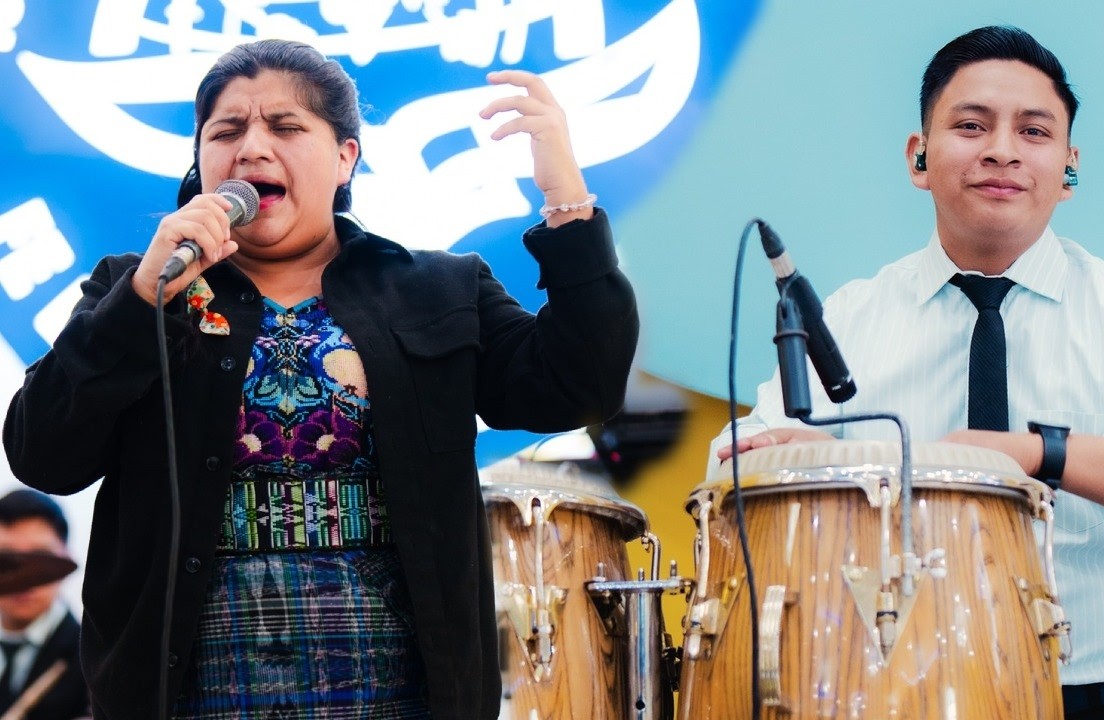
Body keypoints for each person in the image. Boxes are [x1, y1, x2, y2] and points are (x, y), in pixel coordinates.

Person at [3, 39, 637, 719]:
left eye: (285, 126)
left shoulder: (439, 288)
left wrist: (566, 200)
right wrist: (140, 300)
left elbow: (578, 385)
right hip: (190, 688)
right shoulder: (134, 287)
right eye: (225, 131)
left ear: (345, 157)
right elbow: (45, 453)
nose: (250, 148)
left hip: (397, 686)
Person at [712, 25, 1104, 720]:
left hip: (1088, 697)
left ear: (1068, 168)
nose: (1002, 149)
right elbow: (732, 462)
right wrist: (855, 467)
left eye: (1034, 132)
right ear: (919, 157)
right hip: (884, 691)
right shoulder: (846, 315)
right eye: (971, 125)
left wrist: (1029, 453)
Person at [0, 489, 90, 720]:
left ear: (65, 558)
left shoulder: (96, 659)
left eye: (40, 556)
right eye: (7, 562)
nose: (24, 579)